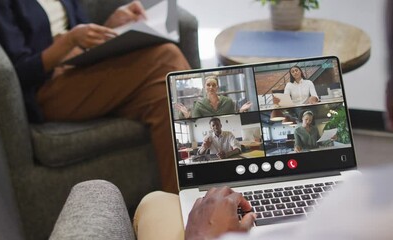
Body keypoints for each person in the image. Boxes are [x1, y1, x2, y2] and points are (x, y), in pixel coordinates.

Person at [132, 3, 393, 239]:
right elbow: (206, 152)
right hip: (224, 179)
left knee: (155, 201)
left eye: (216, 125)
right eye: (212, 125)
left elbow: (238, 148)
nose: (215, 126)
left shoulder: (230, 108)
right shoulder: (361, 201)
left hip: (236, 198)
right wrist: (202, 139)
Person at [0, 0, 191, 193]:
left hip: (84, 66)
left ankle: (187, 209)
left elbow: (82, 35)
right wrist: (69, 41)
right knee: (167, 57)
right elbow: (18, 72)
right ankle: (207, 188)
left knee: (164, 96)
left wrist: (110, 26)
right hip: (49, 87)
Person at [175, 75, 252, 118]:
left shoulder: (228, 102)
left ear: (217, 88)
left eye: (214, 85)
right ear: (204, 87)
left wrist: (241, 111)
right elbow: (194, 120)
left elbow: (235, 116)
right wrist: (187, 115)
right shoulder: (198, 105)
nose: (211, 87)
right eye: (208, 85)